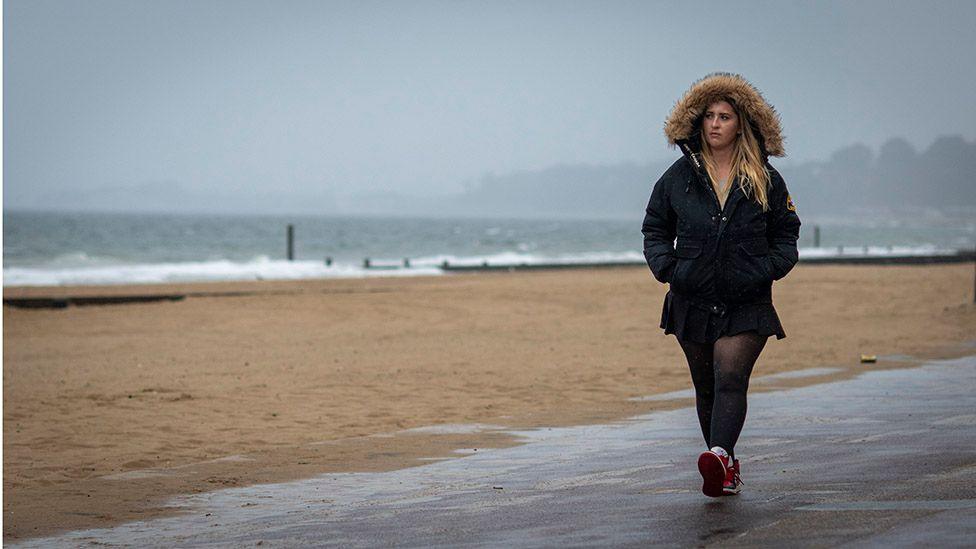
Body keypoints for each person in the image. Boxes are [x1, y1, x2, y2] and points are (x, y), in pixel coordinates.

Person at [641, 73, 801, 497]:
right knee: (706, 385)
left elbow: (787, 235)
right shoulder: (677, 177)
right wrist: (670, 270)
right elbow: (655, 229)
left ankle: (719, 453)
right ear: (698, 122)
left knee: (730, 375)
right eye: (709, 116)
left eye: (725, 116)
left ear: (740, 123)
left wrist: (764, 269)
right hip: (690, 297)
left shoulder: (765, 178)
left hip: (746, 299)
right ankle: (723, 462)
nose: (715, 124)